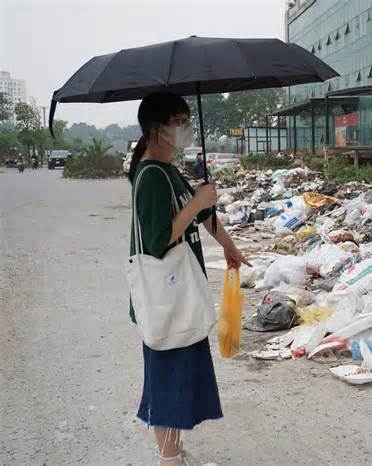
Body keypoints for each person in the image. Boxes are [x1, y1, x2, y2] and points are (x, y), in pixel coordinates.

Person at [127, 93, 250, 465]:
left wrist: (230, 247)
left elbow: (204, 217)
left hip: (181, 291)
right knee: (168, 378)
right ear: (156, 129)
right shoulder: (150, 176)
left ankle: (174, 450)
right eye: (179, 121)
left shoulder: (170, 171)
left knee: (180, 376)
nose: (186, 128)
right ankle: (169, 459)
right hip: (167, 295)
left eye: (185, 119)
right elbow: (157, 240)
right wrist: (196, 203)